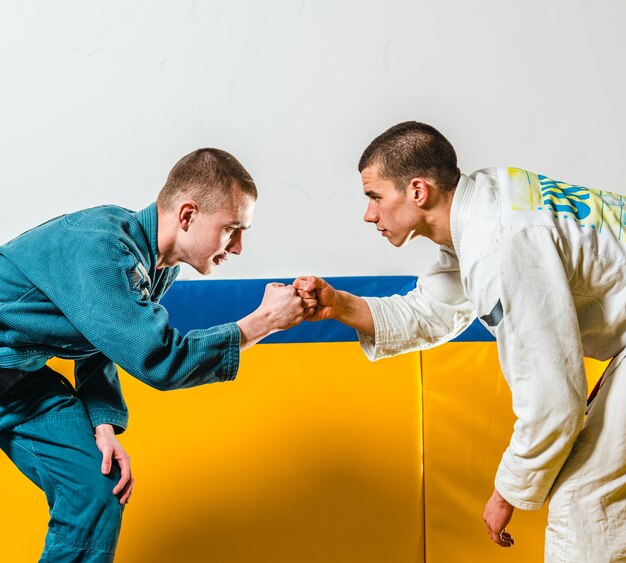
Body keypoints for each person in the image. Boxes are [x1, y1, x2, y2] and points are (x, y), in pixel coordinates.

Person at [294, 121, 626, 562]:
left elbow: (553, 401)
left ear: (417, 190)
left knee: (585, 503)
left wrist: (506, 492)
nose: (368, 214)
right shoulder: (486, 200)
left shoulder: (500, 243)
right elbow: (434, 309)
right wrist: (339, 305)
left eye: (375, 197)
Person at [0, 148, 311, 562]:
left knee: (97, 490)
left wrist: (103, 425)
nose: (237, 247)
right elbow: (160, 360)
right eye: (232, 229)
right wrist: (264, 322)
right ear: (187, 215)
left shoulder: (158, 266)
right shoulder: (102, 249)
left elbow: (101, 342)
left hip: (18, 382)